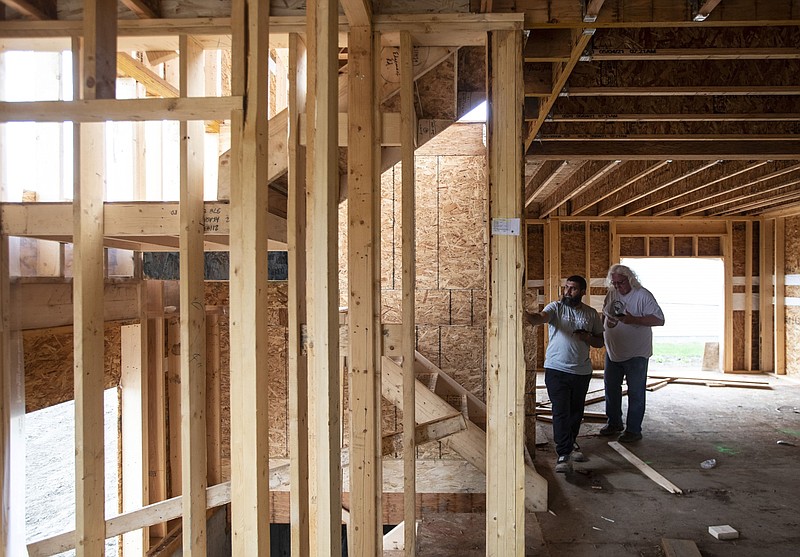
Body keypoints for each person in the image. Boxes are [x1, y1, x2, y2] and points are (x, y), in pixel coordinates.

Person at [526, 275, 604, 473]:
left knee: (575, 412)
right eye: (566, 288)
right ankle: (563, 454)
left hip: (581, 371)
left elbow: (599, 341)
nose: (568, 292)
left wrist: (586, 336)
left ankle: (570, 443)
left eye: (573, 289)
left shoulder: (591, 314)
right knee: (560, 411)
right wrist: (526, 315)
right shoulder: (556, 308)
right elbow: (540, 318)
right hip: (556, 369)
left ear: (583, 292)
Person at [600, 264, 665, 443]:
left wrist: (633, 320)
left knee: (636, 392)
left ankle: (634, 430)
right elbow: (605, 314)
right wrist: (602, 329)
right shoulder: (612, 294)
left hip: (636, 353)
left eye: (621, 283)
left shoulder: (643, 295)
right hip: (613, 351)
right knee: (611, 389)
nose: (617, 287)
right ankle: (614, 423)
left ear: (630, 279)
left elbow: (660, 320)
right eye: (614, 283)